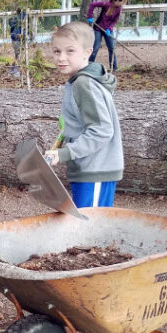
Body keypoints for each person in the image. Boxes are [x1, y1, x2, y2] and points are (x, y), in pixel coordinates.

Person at [44, 21, 123, 208]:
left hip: (96, 168)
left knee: (89, 229)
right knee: (85, 227)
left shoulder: (84, 84)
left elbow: (102, 131)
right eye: (56, 51)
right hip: (88, 167)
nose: (61, 57)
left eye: (70, 51)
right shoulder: (79, 81)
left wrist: (64, 153)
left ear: (88, 52)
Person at [86, 0, 124, 71]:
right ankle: (88, 67)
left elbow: (114, 21)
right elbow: (92, 4)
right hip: (98, 29)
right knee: (95, 48)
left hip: (108, 31)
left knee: (112, 48)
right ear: (117, 1)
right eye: (121, 2)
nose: (122, 4)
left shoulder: (119, 9)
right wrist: (90, 16)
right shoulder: (106, 4)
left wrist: (109, 29)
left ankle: (114, 67)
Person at [8, 8, 26, 76]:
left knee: (17, 55)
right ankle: (15, 71)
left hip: (14, 39)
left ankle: (13, 70)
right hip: (17, 39)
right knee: (18, 55)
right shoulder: (19, 18)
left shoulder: (11, 19)